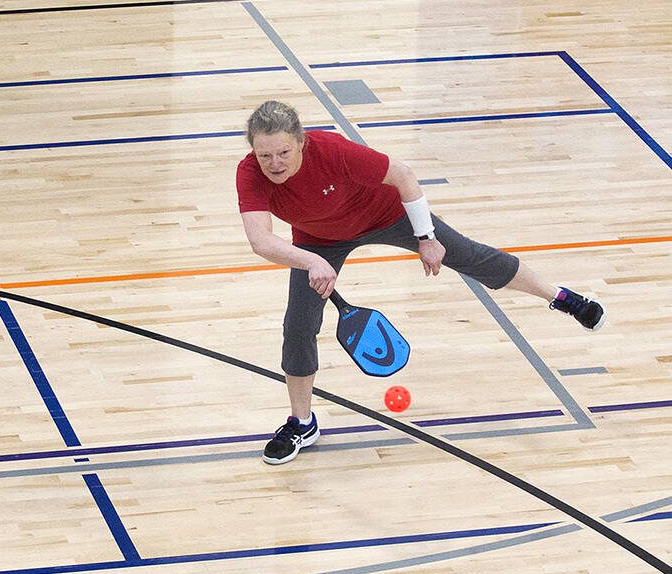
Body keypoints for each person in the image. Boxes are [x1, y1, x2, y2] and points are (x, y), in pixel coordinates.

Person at [236, 100, 605, 465]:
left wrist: (427, 237)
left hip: (388, 215)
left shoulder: (332, 151)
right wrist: (312, 259)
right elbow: (261, 241)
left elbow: (404, 175)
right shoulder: (251, 172)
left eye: (283, 152)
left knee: (471, 256)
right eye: (265, 155)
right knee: (298, 326)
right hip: (318, 242)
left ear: (301, 142)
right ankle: (302, 423)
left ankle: (562, 297)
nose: (275, 164)